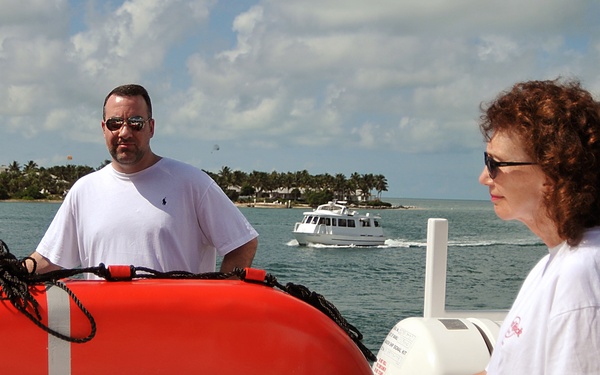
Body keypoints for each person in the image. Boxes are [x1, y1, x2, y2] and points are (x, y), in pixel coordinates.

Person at [28, 84, 258, 278]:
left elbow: (242, 243)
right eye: (115, 123)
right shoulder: (83, 190)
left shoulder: (193, 183)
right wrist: (13, 273)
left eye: (135, 122)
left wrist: (220, 299)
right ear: (103, 128)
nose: (124, 132)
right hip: (103, 329)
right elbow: (49, 259)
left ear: (151, 127)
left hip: (178, 330)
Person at [475, 79, 600, 374]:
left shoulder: (581, 273)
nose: (484, 177)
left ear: (552, 172)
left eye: (495, 163)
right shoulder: (555, 262)